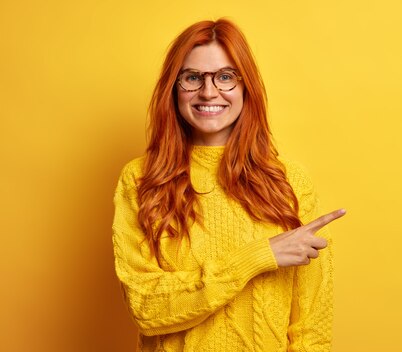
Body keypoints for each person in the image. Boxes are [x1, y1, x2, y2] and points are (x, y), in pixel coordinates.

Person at [112, 18, 345, 352]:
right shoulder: (140, 180)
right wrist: (258, 257)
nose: (209, 92)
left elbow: (311, 326)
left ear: (245, 85)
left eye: (225, 77)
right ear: (173, 87)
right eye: (192, 78)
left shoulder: (291, 183)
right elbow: (146, 308)